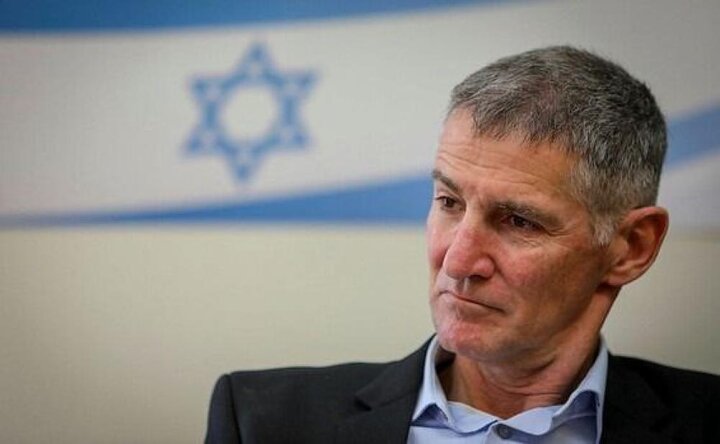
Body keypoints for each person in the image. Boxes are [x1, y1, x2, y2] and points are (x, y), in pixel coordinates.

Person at [204, 46, 720, 443]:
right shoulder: (265, 421)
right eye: (449, 202)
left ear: (631, 247)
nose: (456, 260)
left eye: (518, 221)